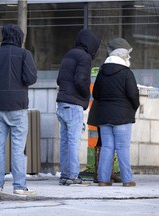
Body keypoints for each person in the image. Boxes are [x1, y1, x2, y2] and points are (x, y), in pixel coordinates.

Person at [0, 24, 37, 194]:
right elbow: (31, 78)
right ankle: (19, 186)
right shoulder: (24, 54)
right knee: (18, 147)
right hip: (18, 106)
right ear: (19, 37)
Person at [91, 37, 140, 187]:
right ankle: (127, 180)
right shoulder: (126, 73)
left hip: (104, 116)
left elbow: (96, 94)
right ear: (123, 55)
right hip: (123, 116)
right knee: (122, 148)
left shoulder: (102, 71)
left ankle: (103, 180)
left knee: (107, 147)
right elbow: (133, 94)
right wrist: (134, 107)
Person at [56, 28, 101, 186]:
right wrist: (85, 97)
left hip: (61, 102)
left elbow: (59, 79)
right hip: (73, 104)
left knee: (65, 141)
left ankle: (65, 174)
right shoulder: (85, 57)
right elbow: (81, 80)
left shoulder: (69, 54)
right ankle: (73, 176)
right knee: (74, 141)